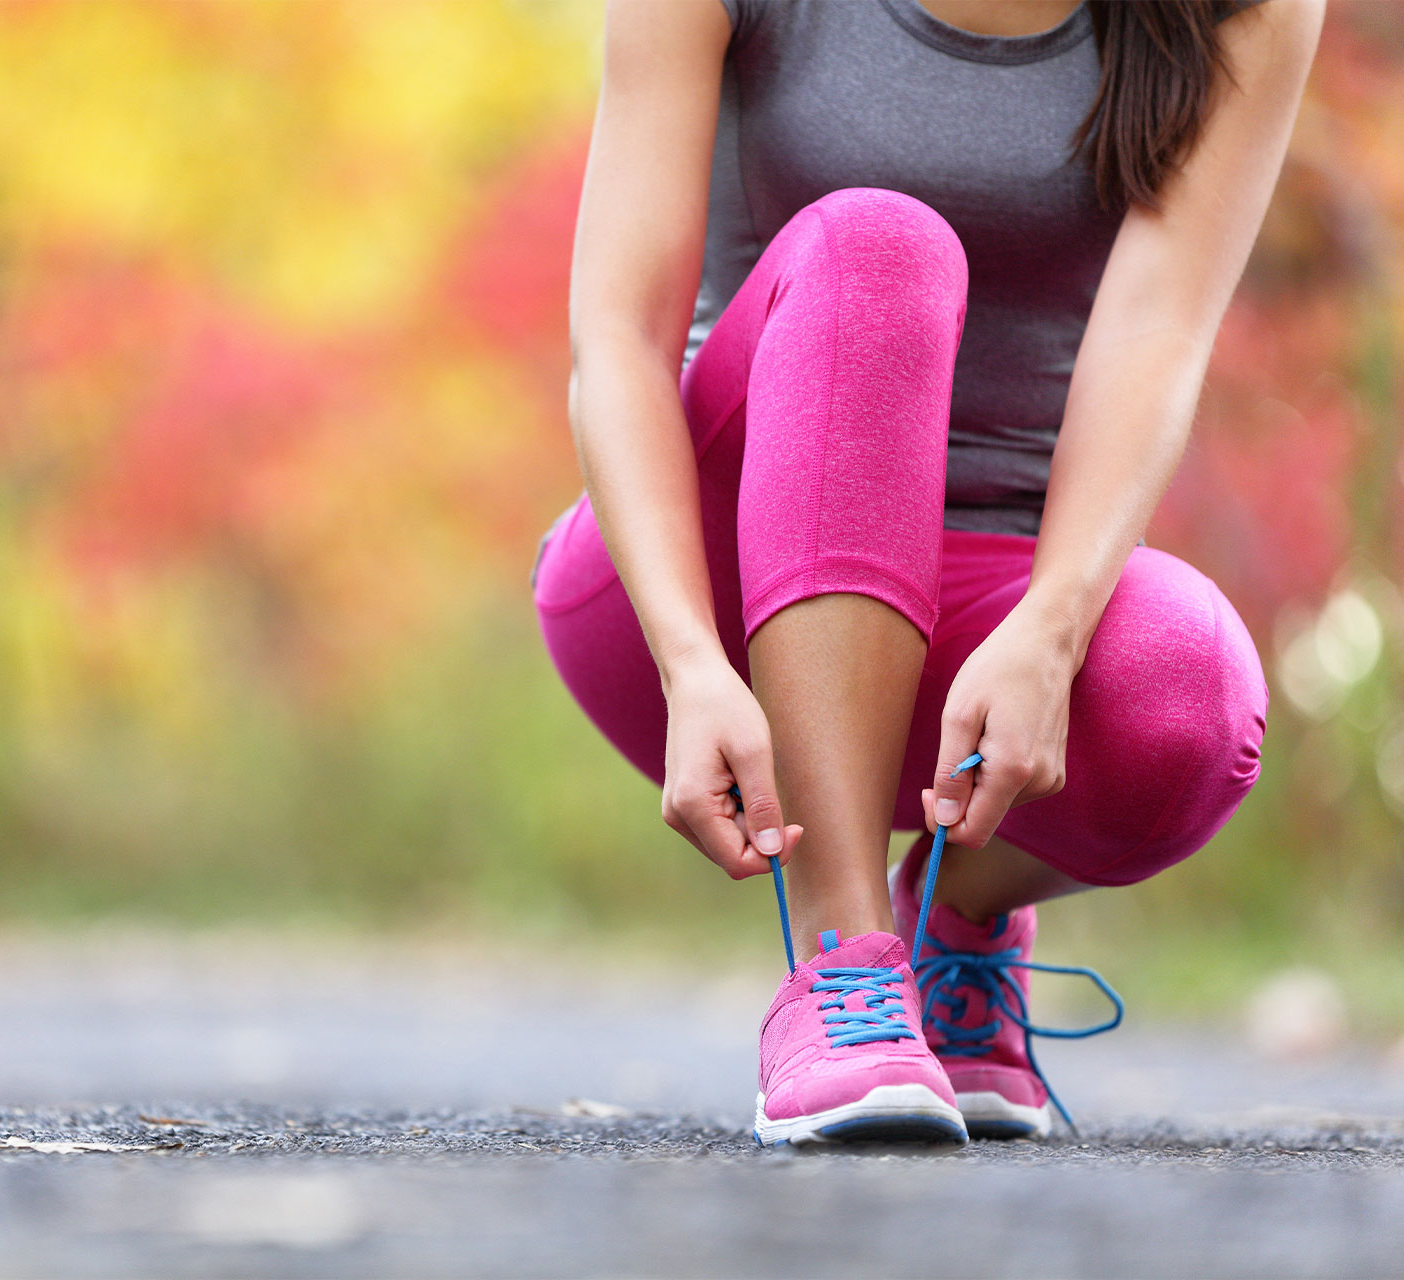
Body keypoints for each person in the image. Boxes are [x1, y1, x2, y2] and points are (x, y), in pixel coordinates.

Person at [532, 0, 1323, 1145]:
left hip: (990, 609)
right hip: (703, 586)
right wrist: (690, 658)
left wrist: (1055, 626)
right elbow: (617, 335)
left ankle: (955, 916)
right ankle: (843, 965)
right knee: (878, 243)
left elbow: (1159, 328)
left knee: (1190, 692)